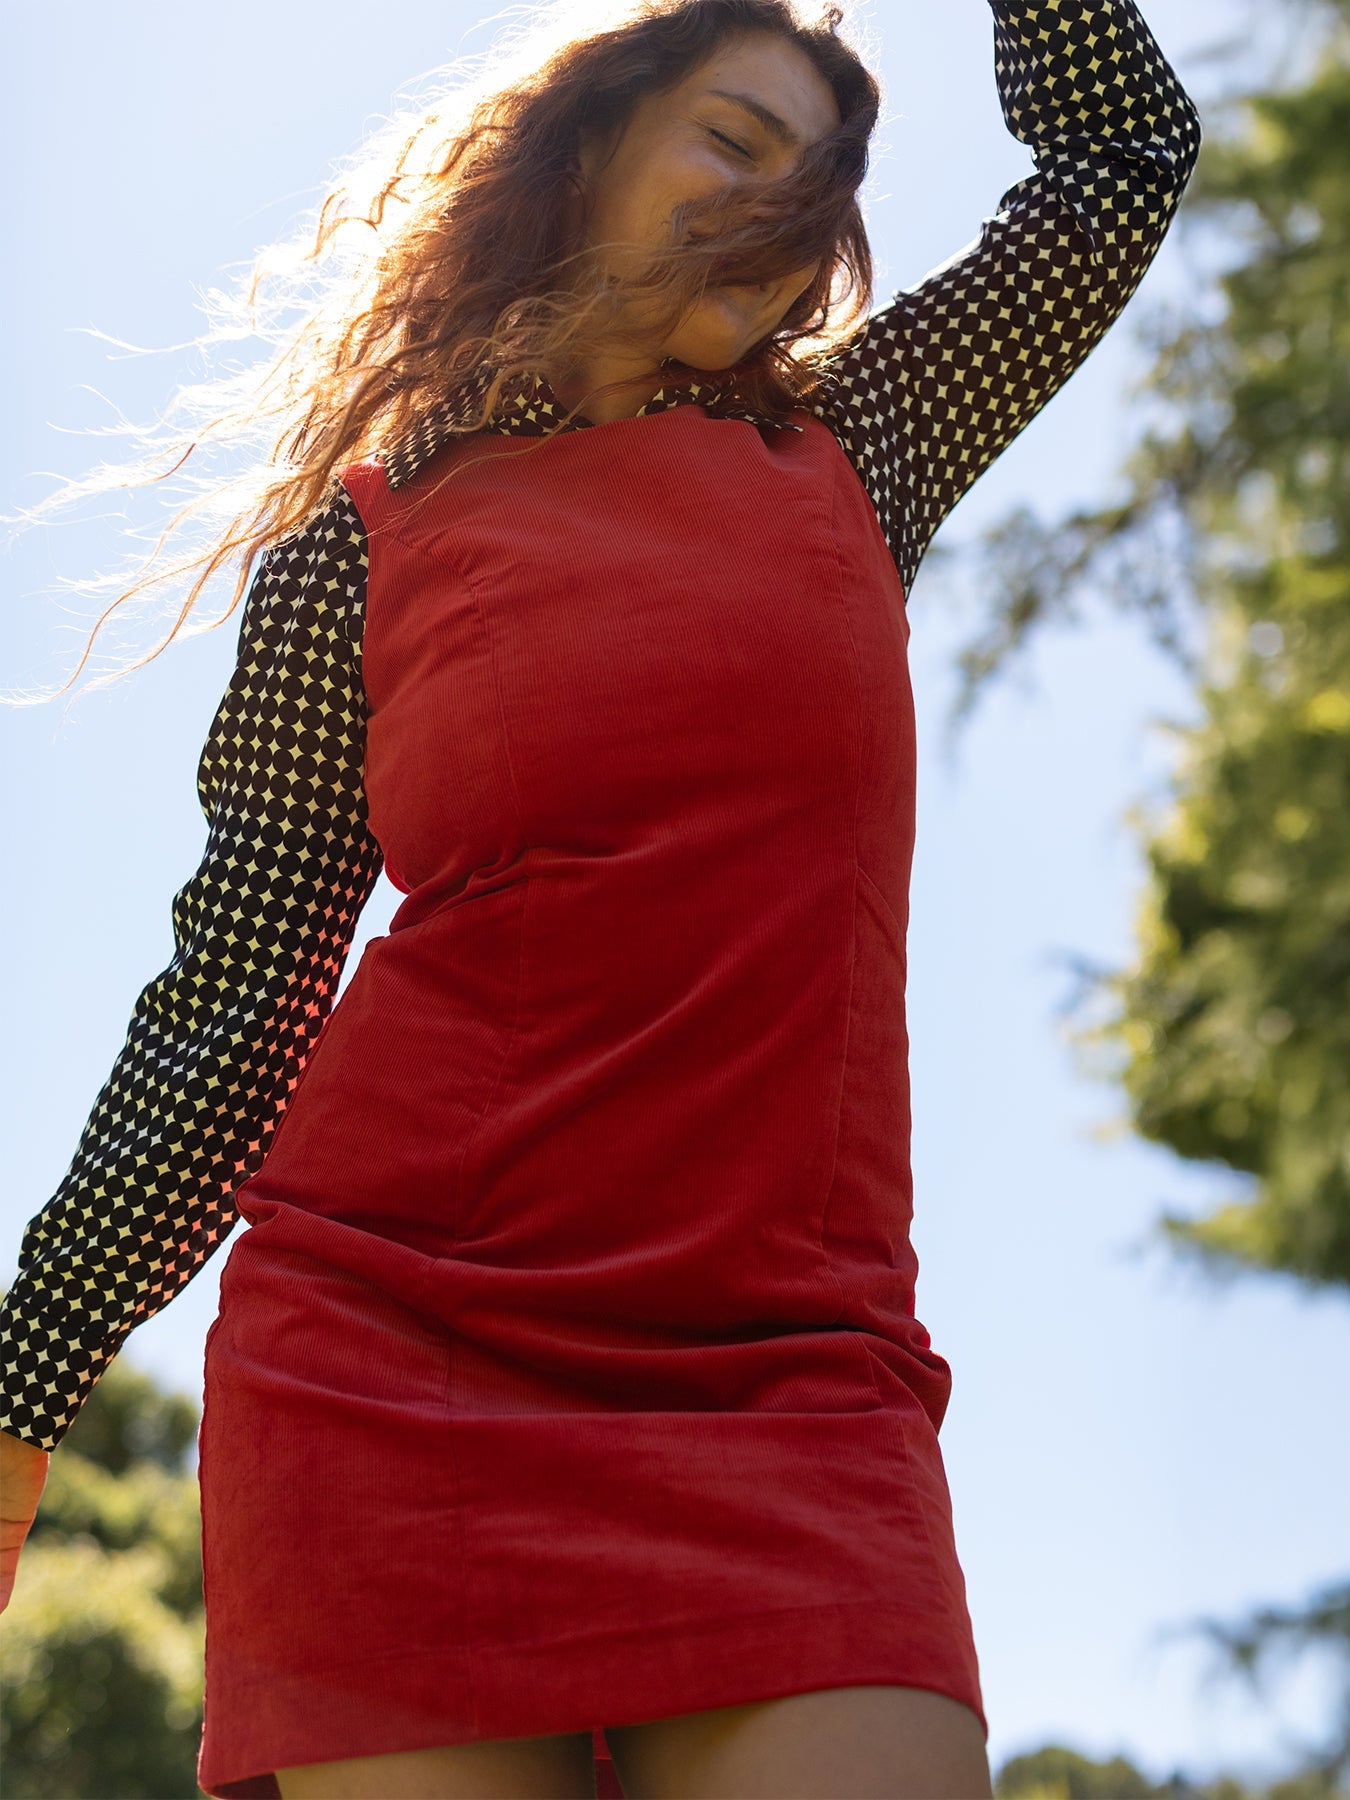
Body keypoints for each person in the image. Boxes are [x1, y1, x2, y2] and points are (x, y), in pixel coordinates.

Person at [0, 0, 1201, 1794]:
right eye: (731, 138)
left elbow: (1118, 165)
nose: (776, 201)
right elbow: (234, 1010)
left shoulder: (854, 451)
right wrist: (27, 1383)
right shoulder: (366, 545)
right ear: (588, 148)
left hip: (793, 1380)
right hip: (394, 1367)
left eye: (818, 182)